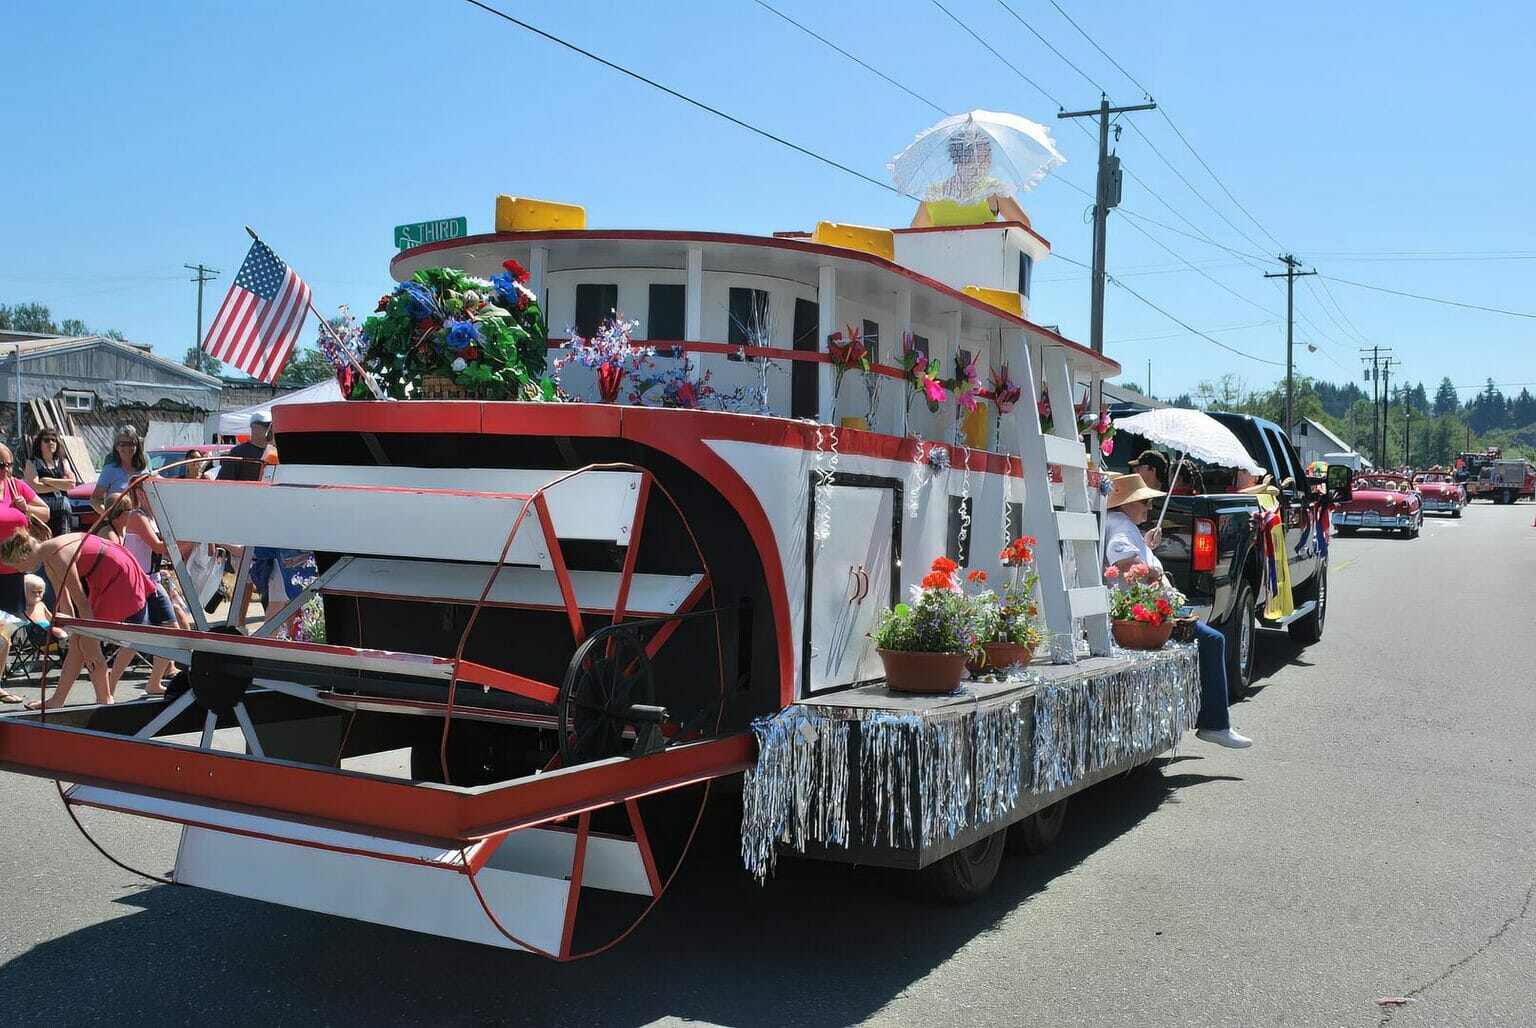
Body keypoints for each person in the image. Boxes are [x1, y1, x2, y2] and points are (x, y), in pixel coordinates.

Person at [1102, 472, 1253, 749]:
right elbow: (1123, 562)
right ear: (1126, 504)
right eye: (1143, 502)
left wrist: (1145, 547)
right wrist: (1152, 571)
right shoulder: (1121, 525)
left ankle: (1212, 721)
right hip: (1144, 614)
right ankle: (1214, 724)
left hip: (1144, 610)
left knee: (1210, 640)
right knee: (1212, 640)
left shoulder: (1117, 523)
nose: (1149, 507)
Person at [0, 527, 151, 710]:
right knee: (79, 641)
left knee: (88, 643)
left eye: (16, 567)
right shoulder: (48, 555)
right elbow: (66, 604)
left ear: (23, 558)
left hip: (119, 578)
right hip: (104, 577)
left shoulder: (58, 556)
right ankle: (59, 700)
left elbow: (82, 604)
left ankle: (105, 701)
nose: (18, 571)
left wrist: (90, 639)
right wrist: (70, 631)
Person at [102, 489, 178, 694]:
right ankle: (109, 687)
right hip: (138, 581)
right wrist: (189, 539)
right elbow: (159, 547)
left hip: (153, 579)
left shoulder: (154, 517)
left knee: (171, 630)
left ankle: (154, 683)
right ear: (143, 494)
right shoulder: (137, 516)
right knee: (136, 637)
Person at [909, 131, 1032, 229]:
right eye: (987, 152)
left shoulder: (934, 192)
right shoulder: (993, 188)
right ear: (979, 155)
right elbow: (1024, 225)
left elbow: (916, 228)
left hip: (942, 258)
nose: (990, 159)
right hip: (983, 258)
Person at [0, 443, 54, 617]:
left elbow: (46, 513)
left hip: (16, 568)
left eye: (9, 465)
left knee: (13, 626)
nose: (6, 470)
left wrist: (27, 508)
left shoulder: (16, 486)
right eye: (1, 465)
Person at [24, 429, 76, 537]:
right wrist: (61, 485)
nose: (51, 443)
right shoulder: (32, 462)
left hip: (63, 512)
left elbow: (71, 484)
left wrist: (47, 480)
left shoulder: (63, 462)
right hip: (43, 509)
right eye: (46, 440)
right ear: (39, 444)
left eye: (54, 440)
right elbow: (35, 487)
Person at [92, 425, 148, 516]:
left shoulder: (144, 470)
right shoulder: (110, 470)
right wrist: (110, 516)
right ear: (117, 447)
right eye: (123, 444)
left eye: (131, 443)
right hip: (119, 524)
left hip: (142, 520)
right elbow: (95, 500)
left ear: (137, 446)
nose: (127, 448)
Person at [217, 412, 272, 482]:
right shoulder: (237, 453)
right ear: (254, 426)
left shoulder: (275, 452)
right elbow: (223, 482)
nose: (271, 429)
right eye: (268, 426)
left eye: (273, 426)